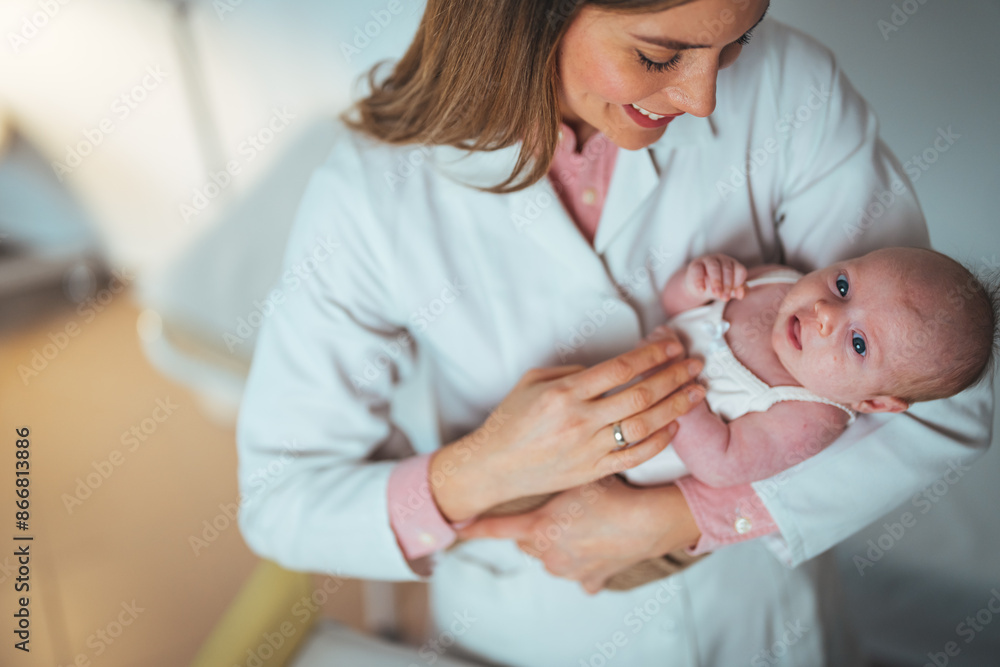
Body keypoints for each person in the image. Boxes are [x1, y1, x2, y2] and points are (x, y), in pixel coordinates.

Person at [235, 1, 994, 665]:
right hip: (536, 627)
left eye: (732, 43)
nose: (703, 97)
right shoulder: (370, 194)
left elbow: (937, 387)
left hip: (757, 621)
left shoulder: (788, 85)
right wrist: (486, 468)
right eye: (658, 55)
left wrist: (681, 517)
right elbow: (282, 502)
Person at [623, 248, 999, 488]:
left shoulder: (811, 414)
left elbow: (721, 464)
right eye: (842, 285)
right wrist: (697, 280)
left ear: (876, 403)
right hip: (609, 363)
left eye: (858, 344)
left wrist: (672, 387)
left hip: (627, 458)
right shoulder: (777, 281)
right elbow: (675, 306)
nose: (825, 313)